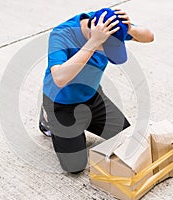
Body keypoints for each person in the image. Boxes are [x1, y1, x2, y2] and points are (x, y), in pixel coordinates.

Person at [39, 7, 154, 174]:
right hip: (60, 102)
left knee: (125, 137)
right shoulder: (62, 34)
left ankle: (84, 122)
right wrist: (93, 43)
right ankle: (47, 118)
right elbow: (59, 78)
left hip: (92, 96)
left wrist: (131, 29)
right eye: (105, 48)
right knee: (75, 166)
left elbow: (149, 37)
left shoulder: (108, 25)